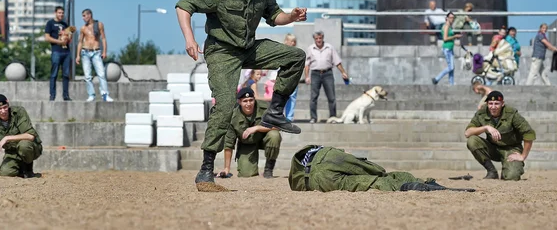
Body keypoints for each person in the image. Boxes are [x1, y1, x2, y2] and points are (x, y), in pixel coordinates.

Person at [175, 0, 307, 190]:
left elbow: (274, 15)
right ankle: (206, 169)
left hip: (247, 47)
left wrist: (291, 16)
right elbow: (184, 6)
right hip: (222, 51)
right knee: (225, 105)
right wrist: (189, 39)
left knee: (296, 56)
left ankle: (275, 112)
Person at [289, 145, 474, 192]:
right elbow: (367, 168)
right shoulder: (332, 153)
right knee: (377, 177)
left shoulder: (297, 165)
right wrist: (380, 171)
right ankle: (417, 183)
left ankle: (410, 184)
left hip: (307, 181)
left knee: (364, 183)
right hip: (325, 157)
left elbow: (293, 183)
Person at [464, 91, 536, 180]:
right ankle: (491, 171)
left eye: (496, 103)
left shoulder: (511, 114)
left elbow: (529, 133)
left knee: (511, 177)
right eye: (490, 103)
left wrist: (523, 156)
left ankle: (506, 170)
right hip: (493, 148)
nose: (493, 107)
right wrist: (486, 127)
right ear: (487, 103)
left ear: (502, 104)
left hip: (511, 149)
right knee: (472, 140)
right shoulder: (482, 113)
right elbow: (467, 133)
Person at [219, 87, 282, 179]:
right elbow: (228, 144)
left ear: (254, 99)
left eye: (251, 100)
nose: (248, 104)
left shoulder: (265, 108)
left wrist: (257, 128)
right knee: (246, 174)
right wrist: (226, 168)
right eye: (245, 101)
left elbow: (278, 126)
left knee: (274, 135)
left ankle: (268, 169)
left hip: (264, 138)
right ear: (239, 102)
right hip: (246, 144)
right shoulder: (233, 117)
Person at [0, 94, 43, 178]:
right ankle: (20, 169)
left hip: (32, 147)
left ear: (8, 105)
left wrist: (7, 138)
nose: (3, 111)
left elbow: (30, 136)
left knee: (24, 146)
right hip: (12, 152)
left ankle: (28, 169)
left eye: (5, 107)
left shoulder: (19, 112)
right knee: (5, 172)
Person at [305, 31, 349, 123]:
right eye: (316, 38)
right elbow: (307, 64)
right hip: (315, 74)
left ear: (322, 38)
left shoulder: (329, 47)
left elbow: (337, 61)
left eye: (320, 38)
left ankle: (332, 117)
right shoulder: (310, 48)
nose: (318, 40)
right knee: (313, 97)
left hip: (327, 73)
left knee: (331, 97)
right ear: (314, 39)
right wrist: (307, 76)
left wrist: (343, 72)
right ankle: (313, 117)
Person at [75, 9, 114, 102]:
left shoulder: (99, 24)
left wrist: (104, 51)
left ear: (89, 15)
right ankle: (91, 94)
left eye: (84, 15)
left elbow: (103, 38)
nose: (83, 18)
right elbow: (80, 42)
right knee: (87, 76)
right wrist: (78, 55)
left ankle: (105, 94)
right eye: (82, 16)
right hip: (85, 52)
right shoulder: (83, 28)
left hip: (96, 52)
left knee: (101, 74)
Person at [44, 6, 72, 101]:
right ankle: (52, 95)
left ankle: (66, 95)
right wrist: (58, 41)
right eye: (59, 13)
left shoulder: (65, 24)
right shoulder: (50, 23)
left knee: (66, 74)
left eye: (62, 13)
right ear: (55, 13)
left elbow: (69, 38)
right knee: (54, 74)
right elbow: (47, 37)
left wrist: (67, 38)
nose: (61, 14)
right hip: (56, 51)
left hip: (66, 52)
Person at [432, 12, 462, 85]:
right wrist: (455, 37)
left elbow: (449, 39)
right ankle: (437, 78)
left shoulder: (449, 26)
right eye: (451, 18)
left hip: (450, 48)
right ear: (447, 18)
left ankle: (451, 83)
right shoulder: (446, 26)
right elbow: (445, 38)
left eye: (453, 18)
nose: (452, 19)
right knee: (451, 67)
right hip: (447, 49)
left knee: (452, 68)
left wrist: (455, 42)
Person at [283, 33, 299, 122]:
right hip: (283, 77)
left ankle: (289, 117)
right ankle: (278, 115)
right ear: (286, 41)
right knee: (281, 96)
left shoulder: (297, 52)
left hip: (293, 77)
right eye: (291, 41)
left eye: (294, 41)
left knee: (292, 97)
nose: (293, 43)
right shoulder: (282, 51)